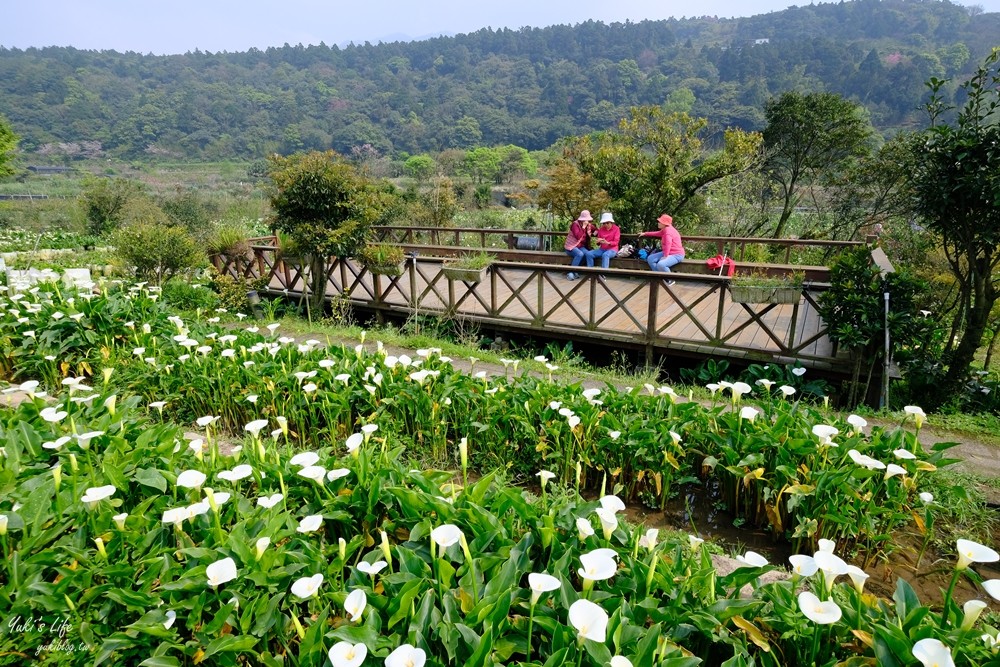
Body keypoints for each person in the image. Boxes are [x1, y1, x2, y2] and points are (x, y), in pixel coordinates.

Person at [640, 213, 684, 285]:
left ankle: (670, 280)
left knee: (661, 264)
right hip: (668, 252)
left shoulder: (668, 231)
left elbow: (668, 244)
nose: (658, 223)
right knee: (650, 258)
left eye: (660, 222)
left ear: (664, 223)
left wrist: (665, 256)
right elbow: (657, 233)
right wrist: (645, 233)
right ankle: (660, 278)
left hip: (677, 254)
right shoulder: (665, 229)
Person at [563, 210, 595, 280]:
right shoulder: (575, 224)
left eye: (587, 219)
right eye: (585, 219)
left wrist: (598, 234)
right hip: (571, 246)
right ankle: (571, 272)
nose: (586, 221)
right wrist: (583, 227)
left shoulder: (589, 225)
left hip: (581, 246)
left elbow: (595, 230)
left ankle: (581, 271)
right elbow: (578, 236)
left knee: (588, 254)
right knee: (579, 254)